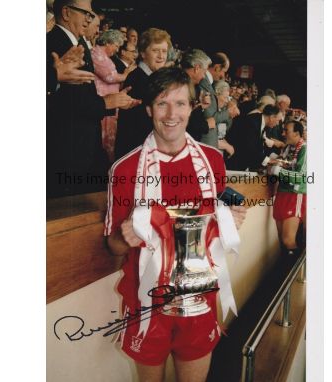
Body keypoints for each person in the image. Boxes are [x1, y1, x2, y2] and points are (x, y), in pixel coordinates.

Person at [105, 67, 246, 382]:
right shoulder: (125, 168)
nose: (171, 114)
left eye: (180, 103)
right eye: (162, 103)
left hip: (200, 295)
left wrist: (230, 221)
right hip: (146, 302)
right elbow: (111, 246)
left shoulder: (212, 160)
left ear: (192, 107)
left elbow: (216, 224)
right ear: (148, 109)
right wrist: (125, 235)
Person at [46, 0, 140, 197]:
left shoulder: (76, 43)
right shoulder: (54, 43)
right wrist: (106, 102)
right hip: (67, 148)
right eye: (86, 14)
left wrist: (114, 100)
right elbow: (65, 102)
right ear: (66, 12)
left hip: (82, 143)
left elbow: (80, 93)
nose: (90, 21)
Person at [114, 28, 172, 159]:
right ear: (143, 53)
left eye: (164, 51)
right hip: (135, 153)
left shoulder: (152, 78)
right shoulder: (137, 79)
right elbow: (140, 124)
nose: (161, 56)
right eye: (155, 50)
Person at [92, 29, 137, 162]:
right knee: (104, 140)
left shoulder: (104, 56)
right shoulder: (96, 53)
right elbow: (109, 77)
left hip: (110, 103)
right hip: (105, 102)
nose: (117, 50)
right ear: (108, 42)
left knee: (109, 139)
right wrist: (126, 74)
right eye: (116, 46)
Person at [267, 120, 307, 256]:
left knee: (288, 239)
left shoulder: (305, 149)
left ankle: (298, 273)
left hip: (295, 194)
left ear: (296, 133)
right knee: (281, 239)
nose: (283, 133)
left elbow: (301, 177)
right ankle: (286, 268)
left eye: (286, 131)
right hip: (281, 193)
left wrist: (277, 170)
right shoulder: (287, 148)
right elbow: (282, 164)